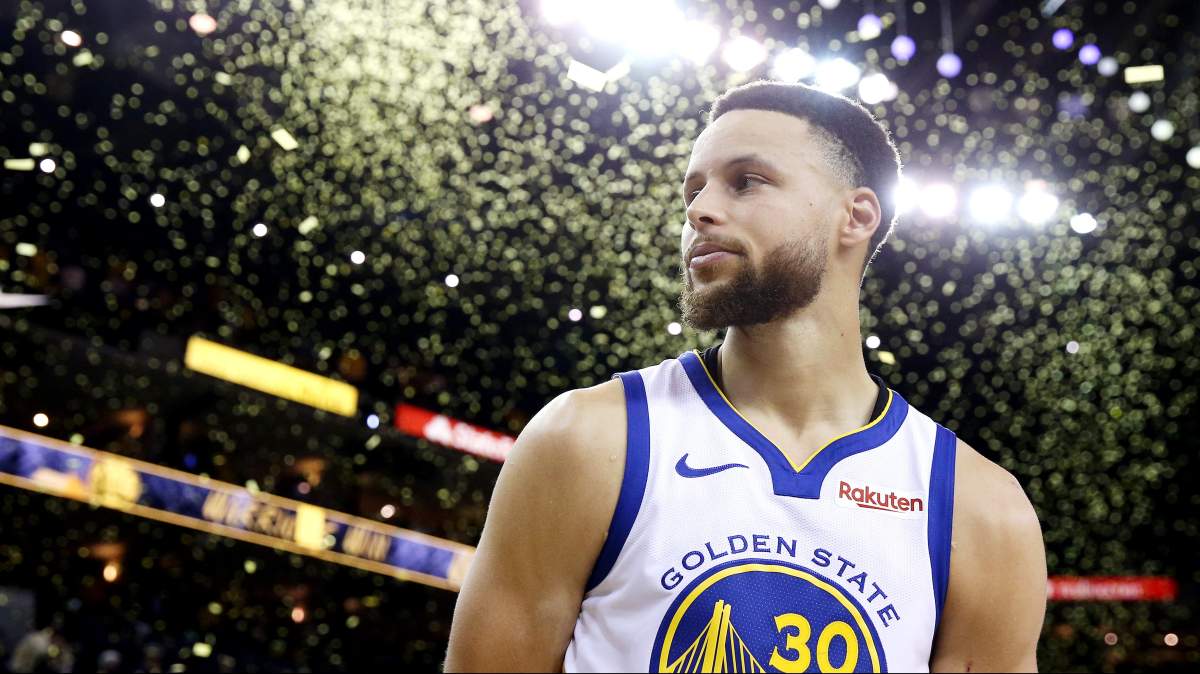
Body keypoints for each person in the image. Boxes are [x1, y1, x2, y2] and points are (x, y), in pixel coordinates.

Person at [445, 80, 1046, 673]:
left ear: (856, 216)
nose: (698, 210)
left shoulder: (982, 510)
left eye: (747, 181)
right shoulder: (588, 438)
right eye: (694, 190)